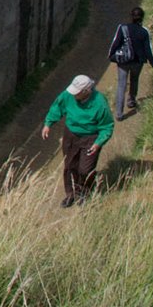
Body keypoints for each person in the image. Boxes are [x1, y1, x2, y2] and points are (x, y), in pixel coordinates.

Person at [41, 74, 114, 207]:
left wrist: (98, 143)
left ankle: (84, 193)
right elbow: (57, 107)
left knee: (85, 169)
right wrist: (48, 124)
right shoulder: (68, 95)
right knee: (69, 166)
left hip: (90, 137)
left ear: (86, 91)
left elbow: (107, 127)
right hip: (71, 135)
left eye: (77, 92)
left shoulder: (99, 103)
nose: (73, 95)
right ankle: (70, 194)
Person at [108, 6, 153, 119]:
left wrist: (111, 55)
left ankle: (119, 113)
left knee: (121, 85)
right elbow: (148, 49)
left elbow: (115, 43)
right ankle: (131, 101)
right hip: (138, 62)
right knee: (134, 80)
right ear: (142, 17)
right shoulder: (144, 32)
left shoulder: (122, 28)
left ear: (131, 16)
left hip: (124, 61)